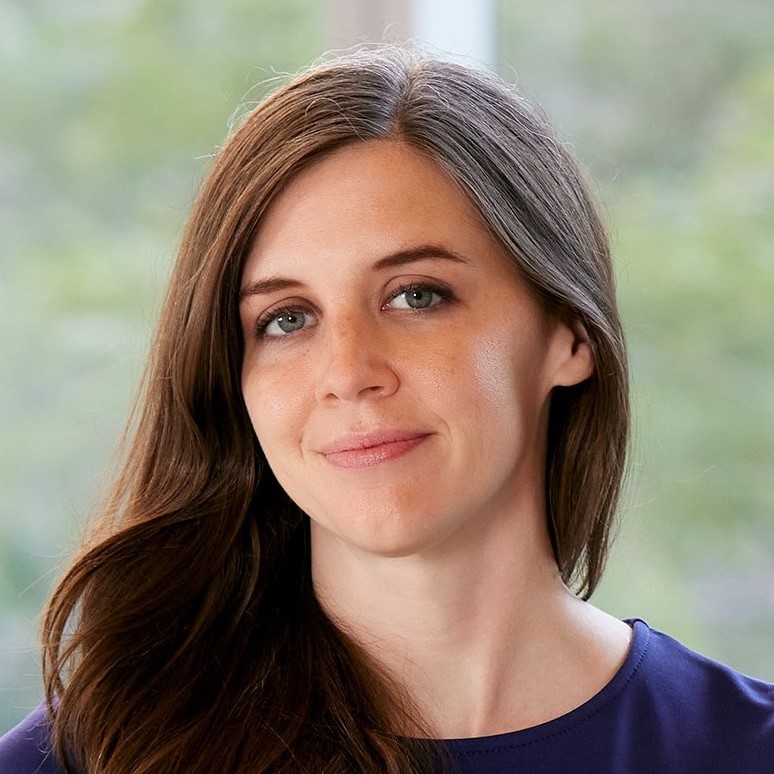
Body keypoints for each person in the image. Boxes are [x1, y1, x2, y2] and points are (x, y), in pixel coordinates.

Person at [1, 45, 772, 774]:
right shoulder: (100, 755)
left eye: (416, 296)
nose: (348, 373)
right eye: (286, 319)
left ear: (569, 332)